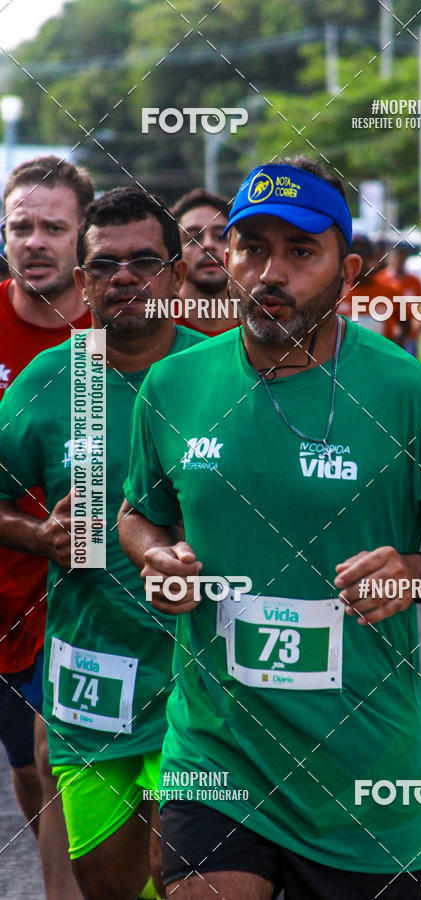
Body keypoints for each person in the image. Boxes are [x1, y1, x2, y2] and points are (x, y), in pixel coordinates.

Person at [118, 156, 421, 900]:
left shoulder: (407, 395)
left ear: (350, 269)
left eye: (301, 252)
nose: (272, 272)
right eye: (252, 247)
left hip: (358, 771)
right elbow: (138, 513)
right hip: (216, 749)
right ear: (225, 257)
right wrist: (157, 557)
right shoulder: (175, 384)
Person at [0, 187, 205, 899]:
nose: (125, 278)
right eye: (105, 265)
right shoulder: (53, 379)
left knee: (187, 872)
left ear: (178, 275)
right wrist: (39, 534)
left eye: (145, 262)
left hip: (202, 679)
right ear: (83, 282)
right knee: (111, 885)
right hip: (94, 685)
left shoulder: (228, 373)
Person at [0, 154, 93, 899]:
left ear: (83, 238)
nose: (33, 241)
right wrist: (34, 537)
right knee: (30, 771)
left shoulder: (121, 330)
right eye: (19, 226)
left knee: (63, 758)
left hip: (89, 598)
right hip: (5, 594)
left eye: (52, 228)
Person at [170, 187, 235, 335]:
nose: (207, 245)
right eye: (193, 238)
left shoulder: (264, 322)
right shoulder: (151, 322)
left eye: (220, 236)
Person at [380, 240, 421, 354]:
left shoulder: (415, 281)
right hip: (387, 336)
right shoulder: (380, 280)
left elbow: (420, 306)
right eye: (396, 254)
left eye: (403, 255)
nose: (399, 259)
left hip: (410, 336)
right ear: (389, 257)